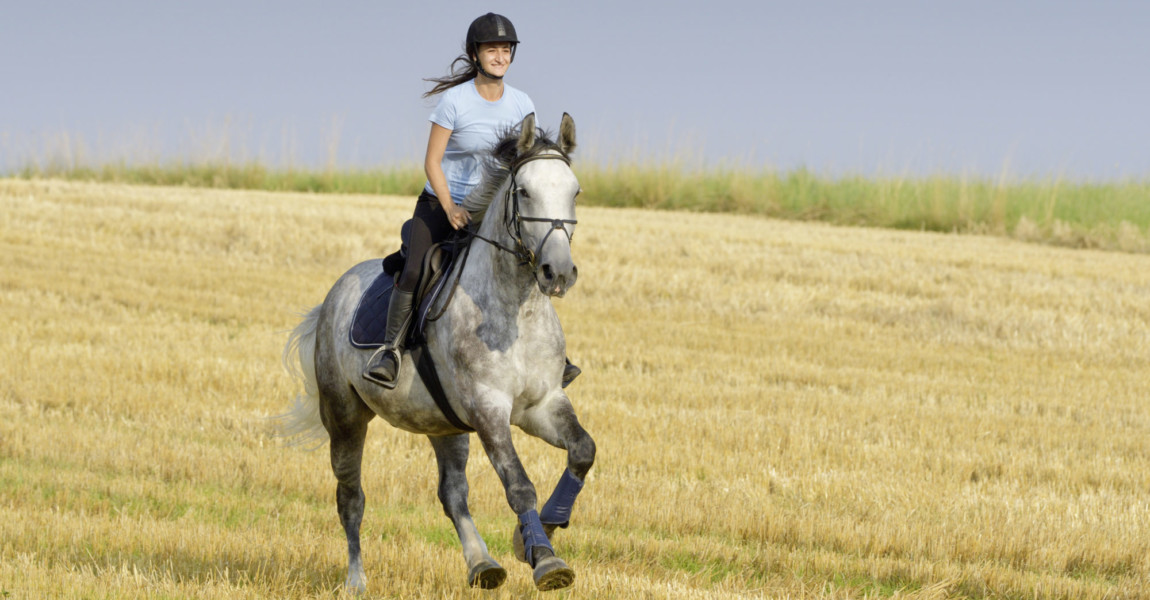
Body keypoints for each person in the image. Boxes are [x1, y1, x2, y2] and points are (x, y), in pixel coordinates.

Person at [364, 12, 581, 389]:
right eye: (491, 49)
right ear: (476, 54)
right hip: (441, 205)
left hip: (492, 209)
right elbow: (432, 162)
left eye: (505, 50)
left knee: (528, 267)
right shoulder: (454, 101)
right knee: (415, 268)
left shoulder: (521, 102)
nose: (499, 56)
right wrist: (450, 208)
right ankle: (390, 351)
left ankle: (553, 355)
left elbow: (529, 163)